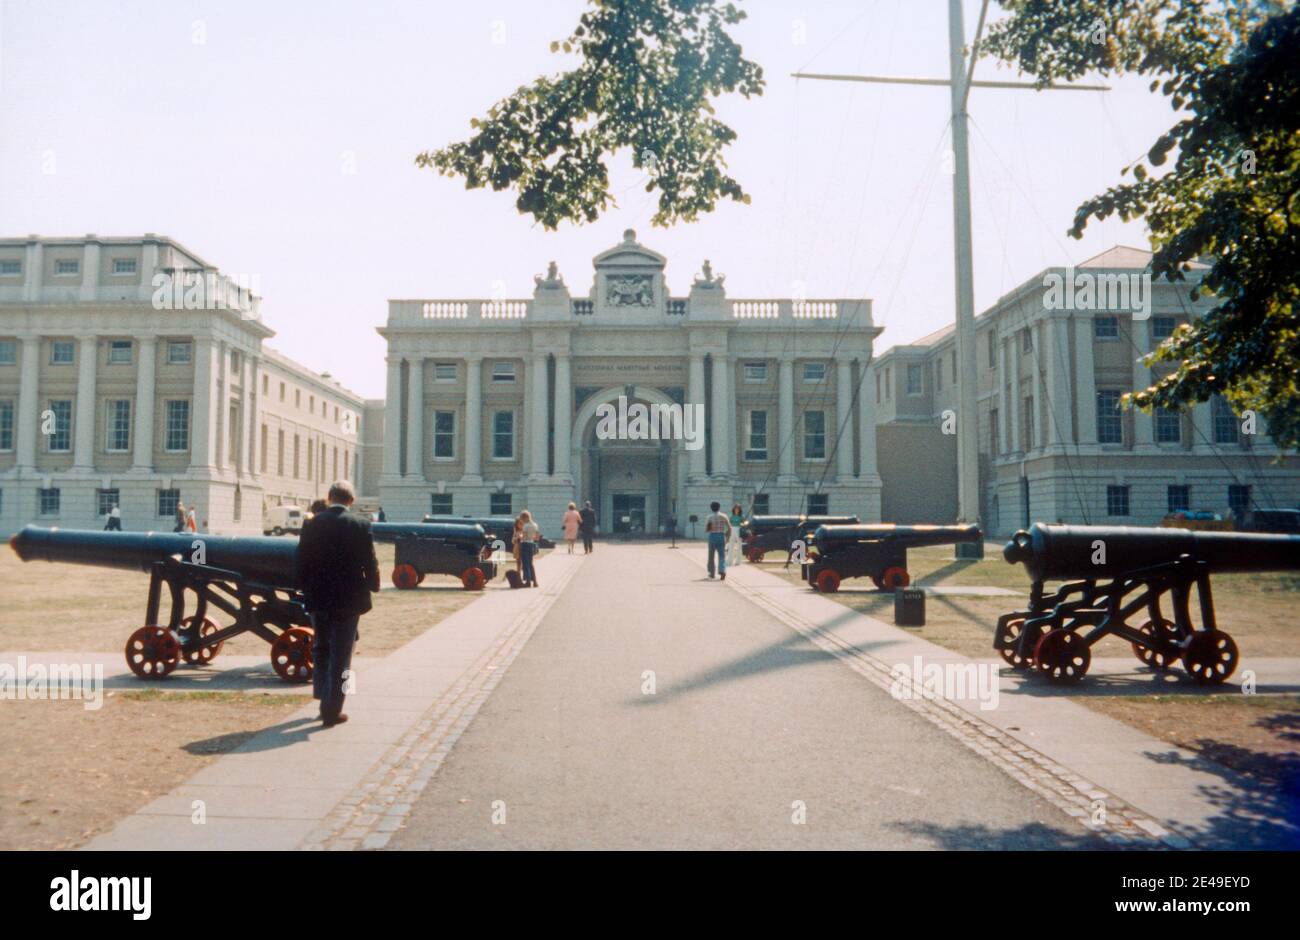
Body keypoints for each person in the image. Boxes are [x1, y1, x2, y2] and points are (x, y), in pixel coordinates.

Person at [295, 480, 379, 728]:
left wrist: (302, 586)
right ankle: (334, 708)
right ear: (351, 501)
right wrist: (373, 584)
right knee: (343, 655)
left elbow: (301, 558)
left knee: (321, 646)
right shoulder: (361, 525)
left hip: (319, 596)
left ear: (329, 497)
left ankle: (322, 693)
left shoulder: (312, 523)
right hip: (349, 599)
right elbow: (370, 562)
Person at [705, 501, 731, 580]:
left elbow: (707, 529)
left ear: (711, 508)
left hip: (713, 536)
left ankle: (712, 573)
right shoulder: (724, 516)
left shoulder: (709, 517)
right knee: (722, 555)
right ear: (719, 507)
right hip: (721, 535)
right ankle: (722, 570)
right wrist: (727, 537)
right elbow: (729, 528)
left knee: (711, 556)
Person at [519, 510, 541, 587]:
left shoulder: (525, 526)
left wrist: (520, 537)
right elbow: (537, 537)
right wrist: (531, 537)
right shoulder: (535, 525)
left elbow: (524, 537)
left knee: (525, 564)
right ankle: (535, 581)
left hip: (525, 544)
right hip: (532, 544)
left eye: (522, 519)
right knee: (531, 563)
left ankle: (528, 581)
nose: (521, 521)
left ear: (524, 518)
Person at [726, 503, 744, 567]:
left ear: (739, 510)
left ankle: (738, 561)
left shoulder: (741, 517)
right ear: (734, 509)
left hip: (739, 530)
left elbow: (744, 524)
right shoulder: (731, 517)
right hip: (732, 529)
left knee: (739, 546)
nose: (737, 510)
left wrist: (743, 524)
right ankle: (729, 561)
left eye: (738, 509)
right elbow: (729, 524)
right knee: (731, 546)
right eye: (736, 509)